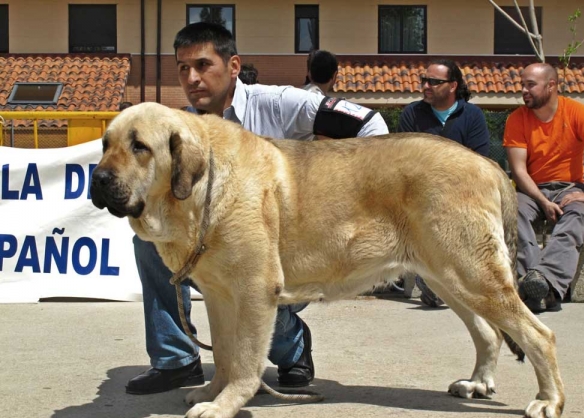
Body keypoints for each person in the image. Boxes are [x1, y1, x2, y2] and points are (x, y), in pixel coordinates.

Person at [126, 21, 389, 395]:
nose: (192, 78)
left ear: (233, 66)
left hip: (293, 251)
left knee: (253, 280)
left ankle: (294, 347)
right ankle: (176, 360)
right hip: (221, 250)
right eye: (183, 68)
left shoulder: (282, 102)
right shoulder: (180, 130)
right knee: (149, 242)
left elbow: (369, 124)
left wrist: (343, 188)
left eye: (203, 65)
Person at [503, 62, 584, 313]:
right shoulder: (517, 119)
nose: (524, 90)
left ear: (552, 85)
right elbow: (519, 171)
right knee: (512, 211)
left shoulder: (576, 112)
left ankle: (545, 283)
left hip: (570, 187)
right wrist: (543, 200)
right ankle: (534, 283)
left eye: (530, 85)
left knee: (578, 215)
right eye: (522, 84)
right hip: (531, 189)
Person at [397, 59, 491, 308]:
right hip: (420, 195)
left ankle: (439, 282)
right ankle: (433, 280)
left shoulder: (472, 116)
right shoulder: (411, 114)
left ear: (452, 86)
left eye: (433, 82)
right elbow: (406, 163)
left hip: (463, 193)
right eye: (424, 81)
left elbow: (480, 162)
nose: (426, 86)